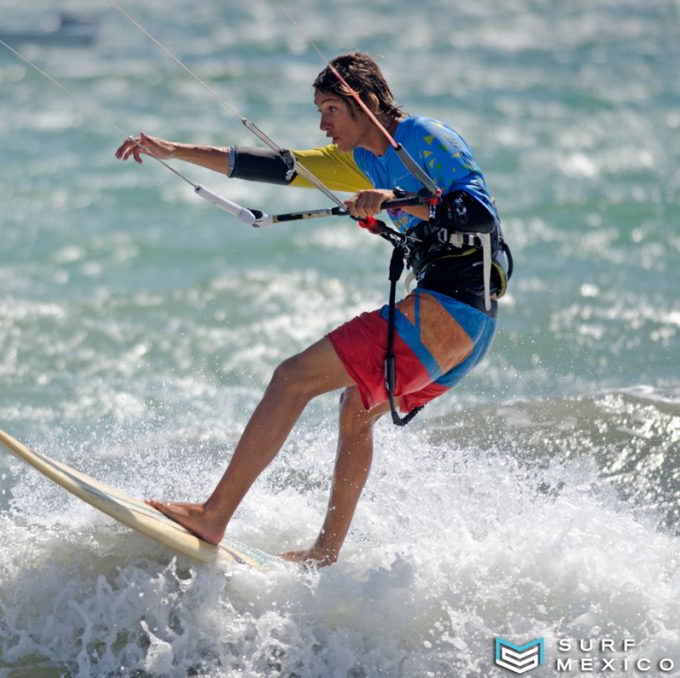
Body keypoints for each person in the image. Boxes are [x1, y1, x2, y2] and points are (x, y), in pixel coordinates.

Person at [114, 52, 510, 567]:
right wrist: (174, 150)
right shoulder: (362, 160)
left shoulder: (423, 138)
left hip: (455, 304)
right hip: (464, 326)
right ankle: (326, 554)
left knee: (291, 378)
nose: (322, 123)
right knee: (356, 409)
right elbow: (280, 168)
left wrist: (394, 200)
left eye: (330, 109)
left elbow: (477, 213)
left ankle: (213, 515)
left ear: (364, 103)